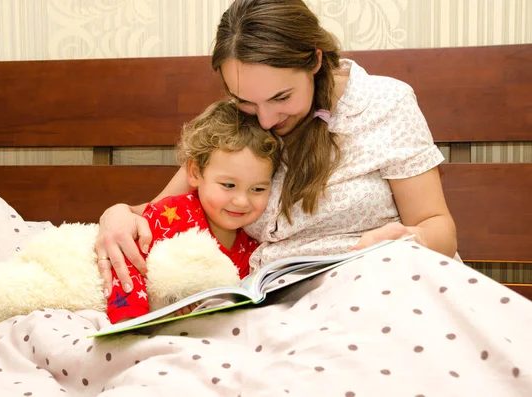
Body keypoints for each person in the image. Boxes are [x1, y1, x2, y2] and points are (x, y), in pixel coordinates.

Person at [96, 0, 457, 298]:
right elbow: (154, 211)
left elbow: (438, 227)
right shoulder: (234, 125)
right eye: (246, 101)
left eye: (281, 97)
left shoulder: (384, 104)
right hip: (269, 304)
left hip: (379, 290)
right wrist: (116, 214)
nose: (266, 120)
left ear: (315, 61)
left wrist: (412, 238)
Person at [105, 100, 281, 323]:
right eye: (228, 185)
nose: (241, 201)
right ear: (196, 173)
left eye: (258, 189)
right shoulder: (172, 214)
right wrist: (130, 317)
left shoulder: (253, 247)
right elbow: (128, 258)